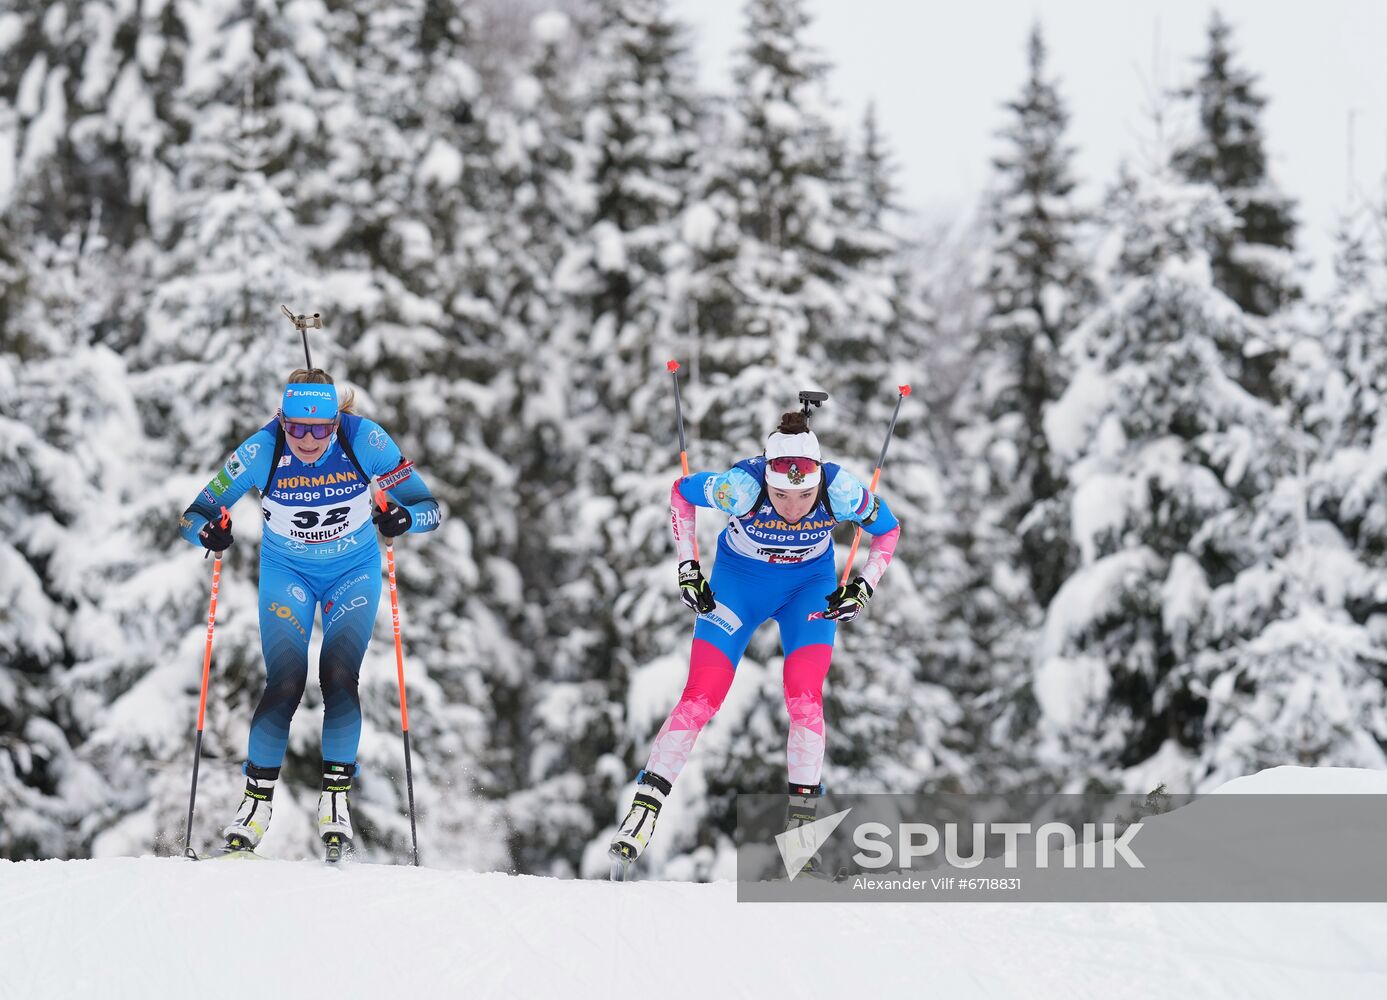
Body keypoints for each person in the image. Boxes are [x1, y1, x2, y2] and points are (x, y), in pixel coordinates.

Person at [610, 409, 901, 865]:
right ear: (766, 479)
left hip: (808, 590)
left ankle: (802, 832)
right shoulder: (739, 487)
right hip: (738, 588)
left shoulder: (841, 489)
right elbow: (680, 495)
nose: (791, 508)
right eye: (781, 495)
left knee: (805, 697)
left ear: (817, 481)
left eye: (803, 496)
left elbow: (887, 532)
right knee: (701, 695)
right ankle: (644, 810)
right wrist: (688, 567)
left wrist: (864, 586)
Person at [179, 368, 441, 857]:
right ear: (281, 418)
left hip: (353, 572)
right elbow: (195, 512)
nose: (306, 439)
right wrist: (206, 532)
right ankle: (255, 804)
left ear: (336, 422)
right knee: (285, 681)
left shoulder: (367, 439)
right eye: (296, 427)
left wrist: (404, 518)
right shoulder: (261, 450)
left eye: (319, 429)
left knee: (339, 675)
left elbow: (429, 506)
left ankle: (335, 799)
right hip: (288, 575)